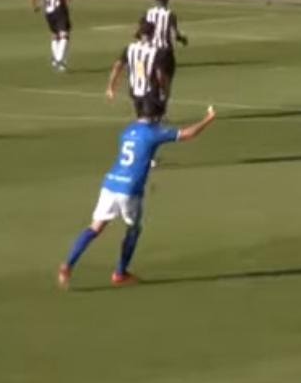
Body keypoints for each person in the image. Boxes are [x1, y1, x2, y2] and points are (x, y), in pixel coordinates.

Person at [57, 101, 217, 289]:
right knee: (134, 229)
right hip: (130, 189)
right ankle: (120, 273)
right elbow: (188, 134)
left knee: (95, 228)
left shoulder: (127, 131)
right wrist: (208, 118)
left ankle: (67, 265)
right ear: (155, 117)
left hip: (110, 183)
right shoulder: (153, 132)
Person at [106, 21, 166, 119]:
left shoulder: (130, 48)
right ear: (153, 34)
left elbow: (117, 67)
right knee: (152, 121)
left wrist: (111, 87)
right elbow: (159, 75)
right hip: (150, 91)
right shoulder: (156, 52)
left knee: (141, 119)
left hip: (135, 91)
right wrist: (163, 90)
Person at [29, 0, 72, 72]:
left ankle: (58, 62)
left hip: (48, 11)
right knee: (64, 35)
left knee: (54, 35)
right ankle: (58, 59)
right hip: (60, 9)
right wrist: (67, 7)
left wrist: (35, 6)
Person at [145, 0, 189, 102]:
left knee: (153, 80)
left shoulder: (149, 13)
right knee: (167, 81)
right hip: (165, 51)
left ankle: (153, 104)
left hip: (150, 51)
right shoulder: (170, 14)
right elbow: (174, 34)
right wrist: (183, 39)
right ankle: (163, 108)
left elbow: (145, 31)